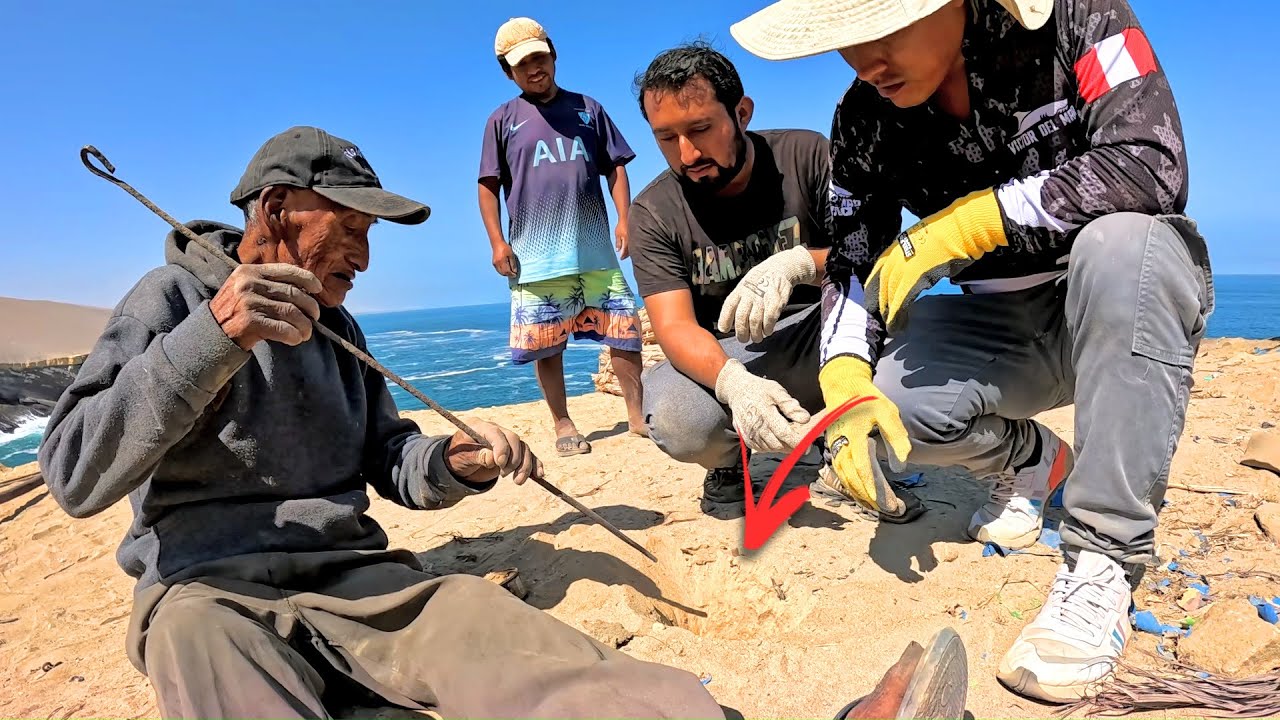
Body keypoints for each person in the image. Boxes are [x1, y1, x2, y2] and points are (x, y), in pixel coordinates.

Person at [38, 126, 725, 719]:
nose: (364, 258)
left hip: (354, 579)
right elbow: (72, 474)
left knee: (476, 617)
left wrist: (454, 462)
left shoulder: (339, 327)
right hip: (207, 592)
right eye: (351, 229)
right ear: (277, 209)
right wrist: (213, 338)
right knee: (199, 647)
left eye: (369, 235)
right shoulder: (172, 299)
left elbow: (387, 456)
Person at [731, 0, 1212, 703]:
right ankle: (1034, 461)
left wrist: (980, 217)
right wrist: (842, 378)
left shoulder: (1082, 18)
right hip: (1003, 328)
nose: (866, 62)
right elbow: (852, 262)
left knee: (1122, 245)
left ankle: (1102, 560)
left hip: (1118, 304)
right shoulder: (864, 114)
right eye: (844, 42)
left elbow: (1150, 164)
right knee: (889, 403)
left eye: (882, 30)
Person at [627, 42, 835, 518]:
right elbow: (675, 327)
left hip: (820, 330)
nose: (686, 153)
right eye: (666, 138)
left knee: (900, 312)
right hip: (731, 352)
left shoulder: (805, 155)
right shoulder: (653, 212)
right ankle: (729, 462)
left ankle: (843, 434)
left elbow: (871, 258)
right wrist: (733, 384)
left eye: (700, 128)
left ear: (741, 113)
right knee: (679, 420)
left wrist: (799, 263)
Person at [478, 16, 646, 457]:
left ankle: (636, 414)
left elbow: (616, 167)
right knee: (548, 345)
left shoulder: (588, 108)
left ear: (552, 54)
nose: (534, 69)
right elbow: (487, 185)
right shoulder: (502, 120)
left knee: (624, 332)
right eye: (522, 64)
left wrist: (623, 219)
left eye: (539, 57)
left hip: (595, 252)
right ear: (508, 72)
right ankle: (563, 423)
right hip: (536, 257)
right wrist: (498, 242)